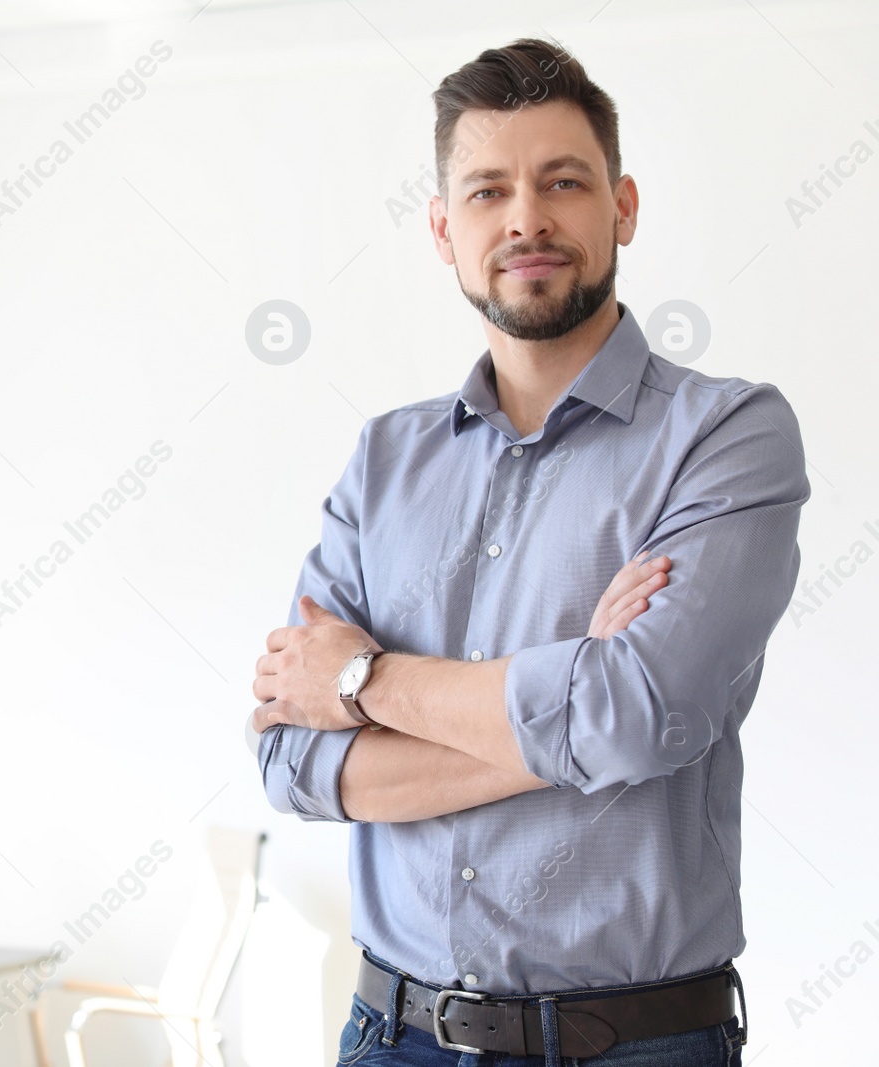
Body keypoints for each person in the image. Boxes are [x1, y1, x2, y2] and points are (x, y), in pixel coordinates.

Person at [252, 37, 807, 1067]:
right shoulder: (383, 459)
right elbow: (288, 758)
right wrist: (566, 712)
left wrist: (362, 680)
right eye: (486, 191)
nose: (524, 219)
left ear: (622, 206)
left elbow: (635, 714)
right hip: (391, 1032)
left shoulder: (726, 435)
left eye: (562, 182)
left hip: (631, 1043)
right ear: (441, 230)